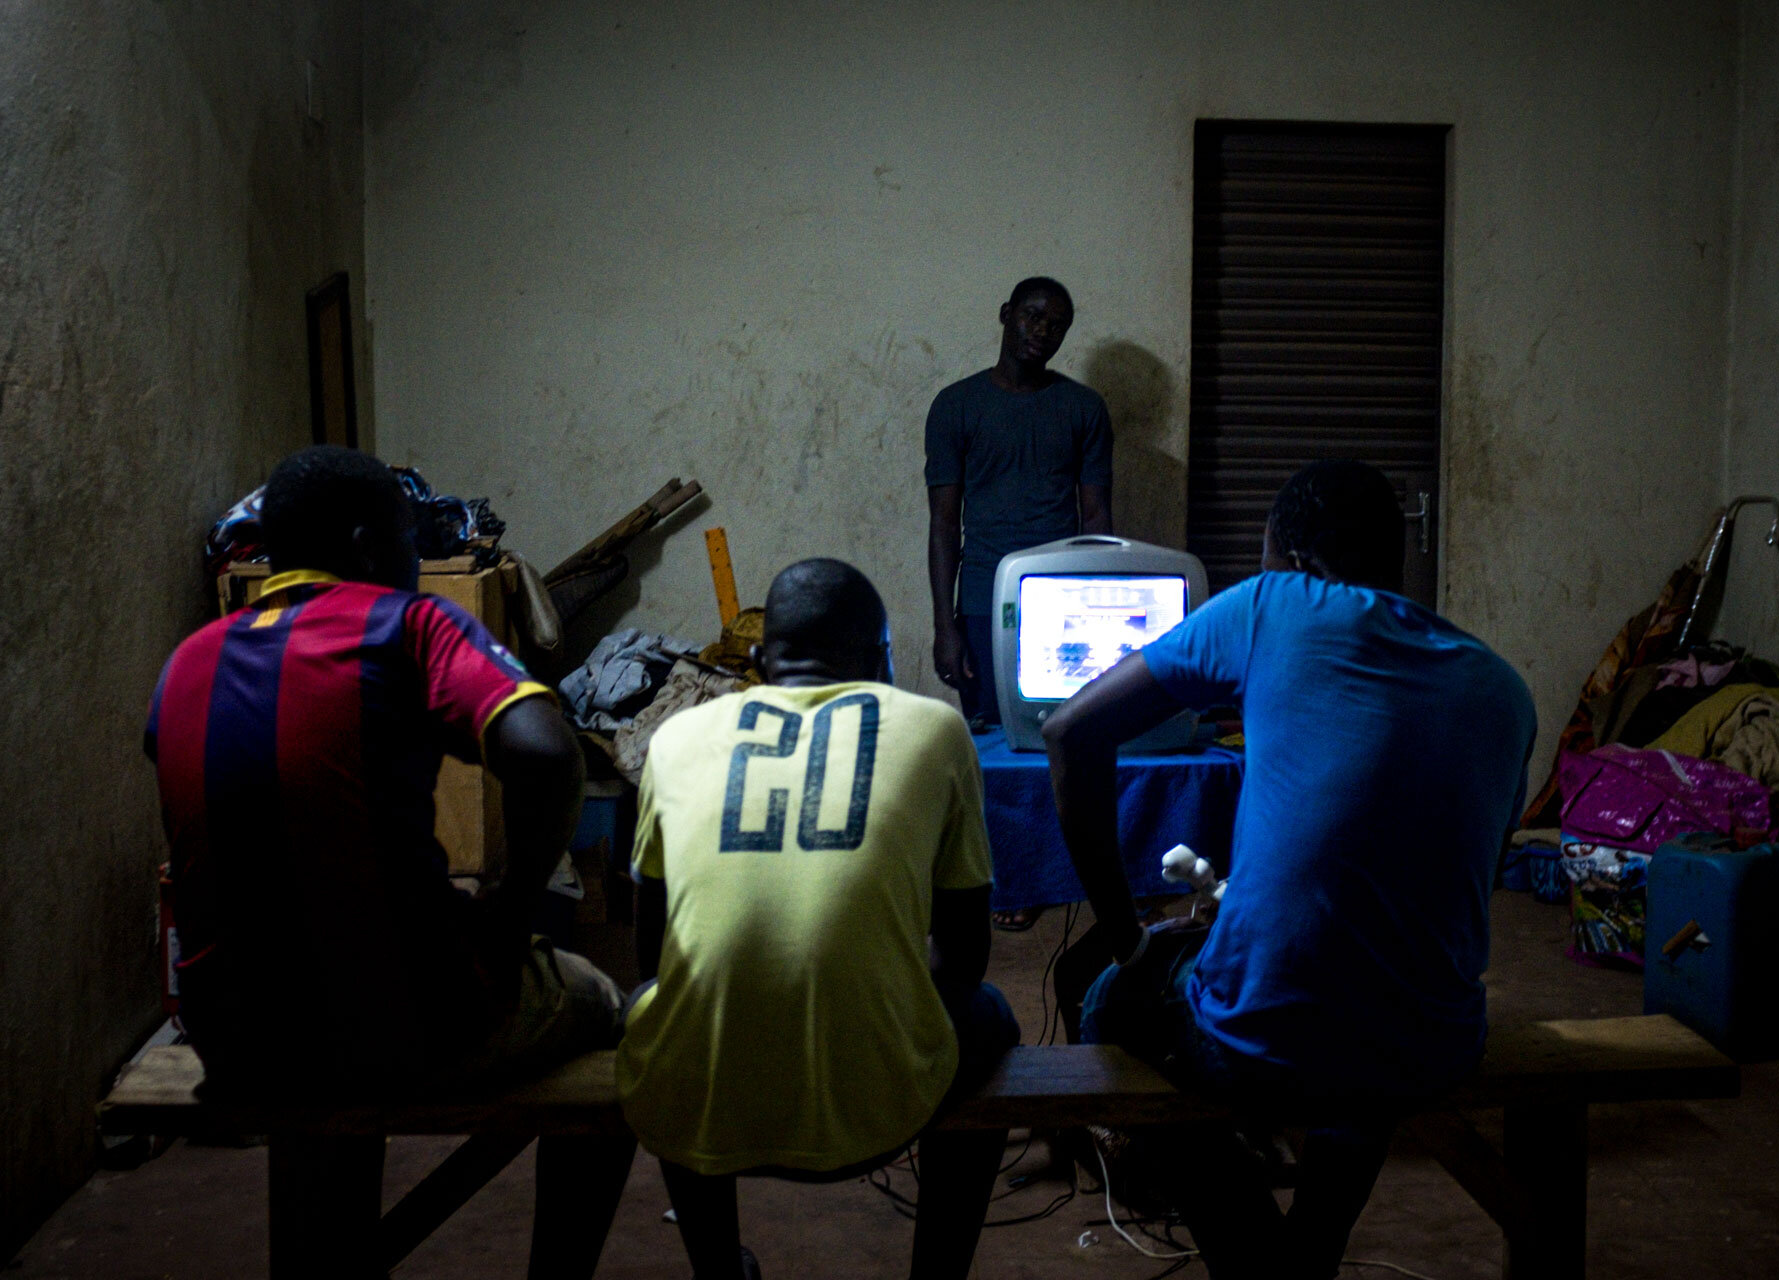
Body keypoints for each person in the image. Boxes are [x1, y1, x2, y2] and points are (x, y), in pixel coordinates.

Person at [146, 445, 633, 1278]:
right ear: (373, 545)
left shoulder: (190, 659)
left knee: (337, 1001)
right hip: (406, 1023)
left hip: (234, 1035)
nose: (415, 562)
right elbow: (548, 754)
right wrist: (513, 910)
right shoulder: (407, 625)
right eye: (410, 542)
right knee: (610, 1012)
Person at [1042, 460, 1536, 1278]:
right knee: (1367, 1016)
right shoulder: (1504, 688)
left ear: (1294, 560)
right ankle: (1313, 1248)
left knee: (1106, 999)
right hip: (1437, 1042)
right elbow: (1456, 884)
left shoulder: (1273, 605)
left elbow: (1069, 732)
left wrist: (1129, 934)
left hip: (1266, 1037)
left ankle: (1260, 1265)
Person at [618, 558, 1018, 1280]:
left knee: (658, 1009)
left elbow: (653, 959)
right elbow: (964, 956)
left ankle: (718, 1269)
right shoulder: (935, 730)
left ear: (763, 659)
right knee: (989, 1014)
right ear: (880, 661)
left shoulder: (675, 739)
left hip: (707, 1112)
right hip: (881, 1113)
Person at [926, 275, 1113, 930]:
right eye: (1033, 315)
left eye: (1057, 323)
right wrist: (945, 624)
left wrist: (1098, 614)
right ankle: (991, 877)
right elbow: (945, 524)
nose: (1042, 330)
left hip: (1062, 604)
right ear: (1005, 315)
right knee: (991, 753)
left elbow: (1096, 519)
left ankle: (1048, 874)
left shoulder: (1083, 410)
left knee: (1060, 742)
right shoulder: (956, 406)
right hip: (984, 600)